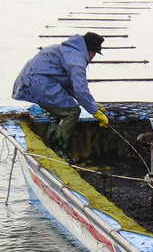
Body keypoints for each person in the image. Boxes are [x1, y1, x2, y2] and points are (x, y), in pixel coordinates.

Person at [12, 32, 109, 161]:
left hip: (31, 82)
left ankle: (51, 144)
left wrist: (91, 103)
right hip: (39, 84)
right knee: (72, 112)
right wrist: (95, 111)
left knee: (62, 109)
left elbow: (70, 85)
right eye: (94, 53)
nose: (93, 57)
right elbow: (80, 89)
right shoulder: (76, 60)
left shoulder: (67, 50)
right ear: (89, 51)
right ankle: (59, 151)